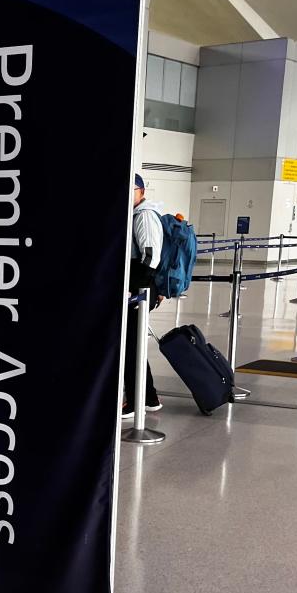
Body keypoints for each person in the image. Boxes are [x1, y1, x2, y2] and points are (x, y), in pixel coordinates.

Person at [122, 174, 164, 420]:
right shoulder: (135, 214)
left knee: (131, 346)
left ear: (141, 191)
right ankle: (147, 398)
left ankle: (138, 402)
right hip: (139, 289)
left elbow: (150, 257)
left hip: (140, 291)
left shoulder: (145, 216)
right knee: (133, 345)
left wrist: (131, 286)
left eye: (131, 189)